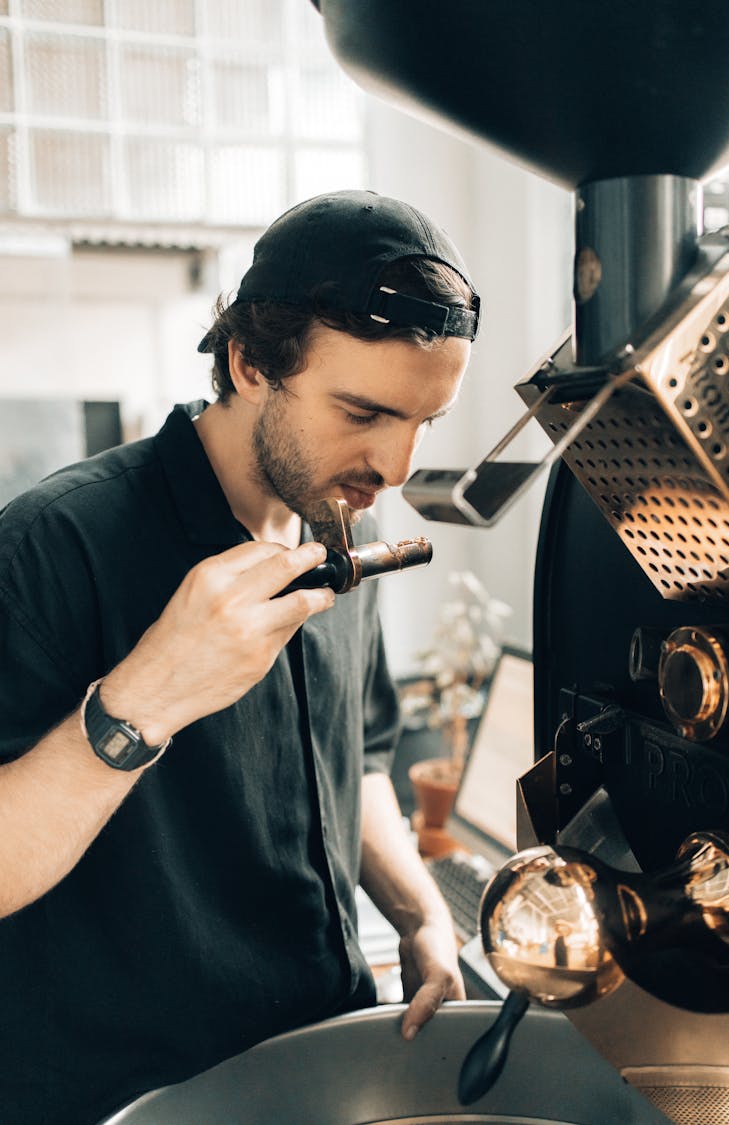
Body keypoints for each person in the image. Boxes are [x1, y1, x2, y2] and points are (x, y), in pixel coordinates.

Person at [0, 189, 481, 1125]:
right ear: (250, 361)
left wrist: (421, 912)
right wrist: (142, 700)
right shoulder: (47, 549)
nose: (395, 465)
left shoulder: (338, 524)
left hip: (323, 1066)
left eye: (426, 421)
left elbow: (363, 758)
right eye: (364, 411)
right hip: (134, 1099)